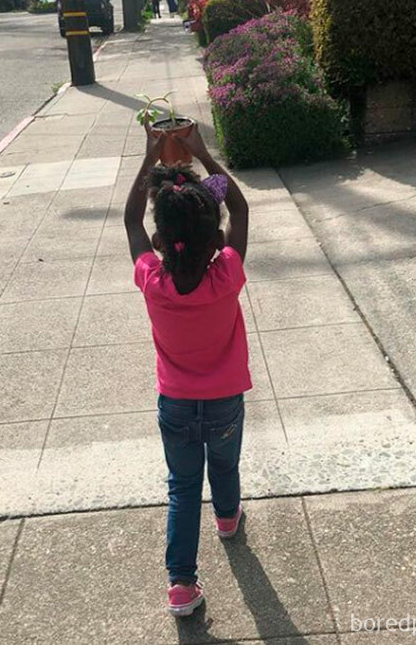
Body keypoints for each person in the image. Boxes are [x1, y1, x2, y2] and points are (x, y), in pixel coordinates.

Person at [123, 123, 251, 617]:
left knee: (181, 485)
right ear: (216, 239)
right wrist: (203, 153)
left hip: (174, 402)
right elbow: (237, 206)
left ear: (160, 240)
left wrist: (149, 158)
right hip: (223, 400)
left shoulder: (153, 279)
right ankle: (226, 518)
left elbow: (131, 220)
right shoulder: (227, 274)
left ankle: (181, 584)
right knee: (224, 464)